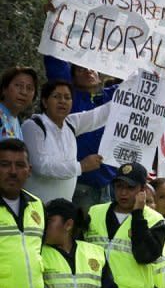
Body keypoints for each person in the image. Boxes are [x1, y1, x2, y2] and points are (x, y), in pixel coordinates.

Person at [83, 162, 165, 288]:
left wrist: (137, 215)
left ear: (143, 189)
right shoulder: (94, 213)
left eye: (130, 187)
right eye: (119, 186)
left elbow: (145, 256)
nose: (123, 193)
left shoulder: (156, 221)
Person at [44, 57, 118, 212]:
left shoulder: (112, 96)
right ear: (72, 76)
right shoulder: (69, 99)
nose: (88, 71)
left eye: (92, 67)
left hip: (110, 186)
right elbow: (55, 59)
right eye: (80, 69)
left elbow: (142, 83)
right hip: (79, 184)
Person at [21, 80, 110, 203]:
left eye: (67, 97)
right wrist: (80, 167)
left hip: (63, 211)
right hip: (35, 210)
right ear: (45, 102)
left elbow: (101, 114)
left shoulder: (71, 123)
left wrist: (136, 83)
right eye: (56, 96)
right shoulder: (33, 126)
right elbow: (41, 166)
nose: (62, 101)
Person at [42, 198, 118, 288]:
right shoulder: (37, 253)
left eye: (49, 221)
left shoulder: (96, 252)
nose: (43, 226)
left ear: (68, 224)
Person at [0, 139, 45, 288]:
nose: (13, 172)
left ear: (29, 171)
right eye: (5, 164)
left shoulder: (37, 205)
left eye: (20, 165)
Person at [0, 67, 38, 140]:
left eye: (29, 88)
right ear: (4, 89)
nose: (23, 92)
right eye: (18, 85)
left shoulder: (15, 120)